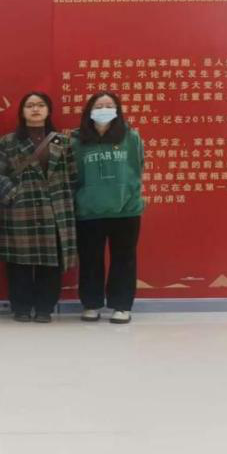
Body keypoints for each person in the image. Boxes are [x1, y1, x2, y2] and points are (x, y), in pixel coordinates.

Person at [0, 92, 77, 323]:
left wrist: (65, 201)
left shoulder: (62, 141)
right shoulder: (7, 142)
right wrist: (13, 194)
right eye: (30, 105)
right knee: (19, 263)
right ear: (22, 111)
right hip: (21, 209)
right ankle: (20, 307)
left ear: (48, 110)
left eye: (40, 105)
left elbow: (73, 175)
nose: (35, 109)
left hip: (54, 210)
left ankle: (44, 308)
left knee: (50, 263)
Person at [72, 91, 144, 324]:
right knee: (90, 259)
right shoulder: (76, 140)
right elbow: (73, 175)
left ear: (117, 110)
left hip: (126, 210)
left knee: (124, 259)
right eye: (99, 105)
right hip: (88, 211)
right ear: (89, 111)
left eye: (109, 105)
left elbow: (138, 168)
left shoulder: (131, 137)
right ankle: (91, 304)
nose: (104, 109)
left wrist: (131, 196)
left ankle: (121, 306)